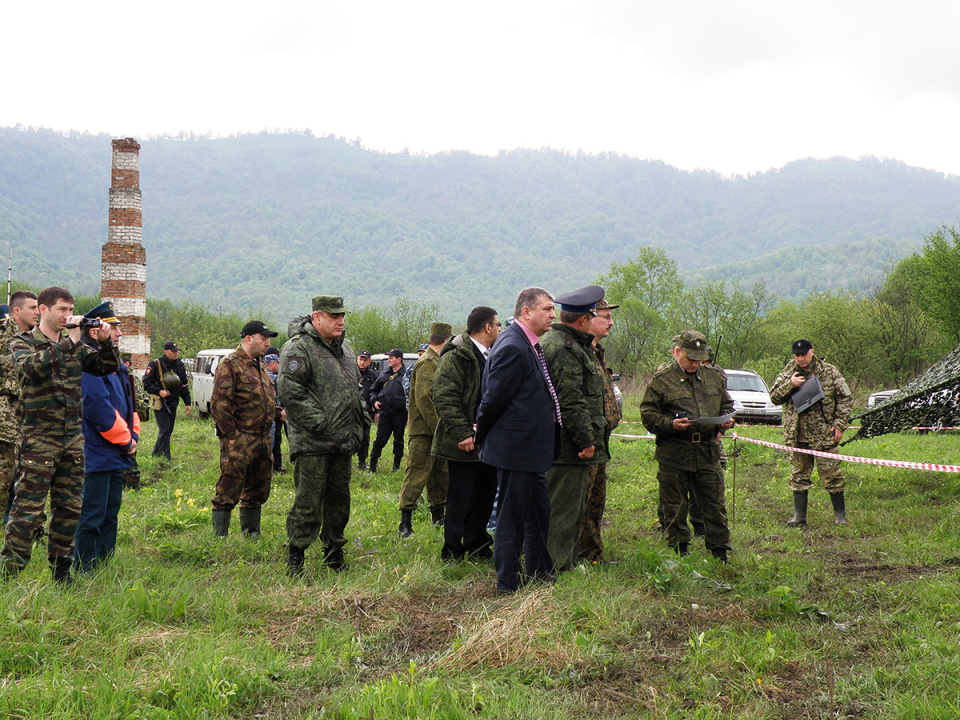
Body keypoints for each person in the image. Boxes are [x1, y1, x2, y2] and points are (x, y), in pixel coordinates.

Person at [0, 286, 119, 584]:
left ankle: (61, 573)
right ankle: (8, 573)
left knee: (68, 509)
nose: (68, 315)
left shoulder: (74, 344)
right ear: (43, 310)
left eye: (71, 309)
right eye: (62, 310)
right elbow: (30, 369)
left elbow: (107, 367)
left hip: (71, 440)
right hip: (38, 440)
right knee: (27, 508)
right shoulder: (22, 342)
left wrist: (105, 344)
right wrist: (72, 341)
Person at [475, 287, 560, 594]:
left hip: (530, 450)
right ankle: (507, 584)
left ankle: (540, 572)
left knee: (538, 512)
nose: (553, 314)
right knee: (511, 517)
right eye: (547, 309)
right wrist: (480, 436)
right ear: (526, 312)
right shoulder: (513, 346)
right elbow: (492, 400)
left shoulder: (527, 344)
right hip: (515, 449)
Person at [278, 296, 366, 575]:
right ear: (317, 318)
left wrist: (360, 420)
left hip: (342, 440)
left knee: (340, 502)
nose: (341, 321)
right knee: (308, 500)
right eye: (334, 316)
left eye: (342, 316)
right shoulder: (298, 348)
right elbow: (290, 391)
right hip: (314, 441)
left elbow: (354, 390)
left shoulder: (346, 351)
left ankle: (334, 553)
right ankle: (296, 555)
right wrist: (320, 422)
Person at [640, 329, 734, 562]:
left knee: (714, 504)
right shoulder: (661, 380)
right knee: (674, 506)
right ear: (676, 352)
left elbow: (726, 404)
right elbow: (647, 414)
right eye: (690, 358)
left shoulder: (713, 376)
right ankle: (678, 550)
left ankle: (719, 551)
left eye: (699, 359)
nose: (695, 363)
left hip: (707, 451)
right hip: (674, 452)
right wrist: (670, 424)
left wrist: (725, 420)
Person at [540, 286, 609, 572]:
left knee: (572, 507)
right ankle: (557, 566)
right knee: (564, 510)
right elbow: (570, 399)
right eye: (594, 314)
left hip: (568, 443)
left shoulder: (570, 343)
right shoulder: (563, 347)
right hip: (568, 446)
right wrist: (586, 440)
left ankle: (563, 561)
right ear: (583, 319)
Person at [74, 302, 139, 574]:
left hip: (117, 452)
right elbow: (98, 409)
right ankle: (85, 567)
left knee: (111, 510)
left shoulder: (118, 367)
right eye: (114, 328)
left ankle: (103, 562)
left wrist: (133, 434)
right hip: (98, 451)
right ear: (94, 332)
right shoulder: (88, 365)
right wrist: (125, 440)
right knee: (93, 513)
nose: (119, 333)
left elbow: (130, 404)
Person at [433, 306, 500, 562]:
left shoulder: (491, 354)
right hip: (462, 443)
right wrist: (462, 433)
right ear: (487, 328)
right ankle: (452, 551)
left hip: (486, 442)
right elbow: (444, 396)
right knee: (461, 497)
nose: (499, 330)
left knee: (484, 495)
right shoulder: (457, 355)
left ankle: (478, 544)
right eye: (497, 325)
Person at [209, 320, 283, 538]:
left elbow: (264, 399)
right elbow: (220, 404)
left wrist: (279, 414)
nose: (267, 343)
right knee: (229, 487)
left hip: (262, 438)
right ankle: (220, 537)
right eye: (264, 339)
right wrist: (231, 437)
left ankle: (252, 535)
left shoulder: (259, 364)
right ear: (249, 339)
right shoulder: (230, 364)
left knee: (257, 489)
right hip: (240, 438)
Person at [770, 339, 853, 527]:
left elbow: (845, 398)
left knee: (832, 474)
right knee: (799, 476)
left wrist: (840, 425)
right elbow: (774, 397)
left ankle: (840, 516)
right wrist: (790, 384)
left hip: (824, 434)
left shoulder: (829, 371)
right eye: (796, 355)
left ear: (812, 352)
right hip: (798, 435)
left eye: (803, 354)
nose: (800, 359)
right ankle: (799, 517)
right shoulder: (789, 371)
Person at [397, 323, 453, 537]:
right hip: (424, 431)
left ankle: (438, 517)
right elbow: (423, 398)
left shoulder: (437, 360)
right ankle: (405, 523)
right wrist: (440, 427)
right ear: (445, 340)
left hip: (435, 429)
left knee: (440, 475)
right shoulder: (428, 362)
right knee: (417, 474)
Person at [578, 298, 622, 564]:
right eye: (606, 316)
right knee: (578, 503)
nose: (611, 322)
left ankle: (592, 554)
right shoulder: (575, 352)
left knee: (596, 502)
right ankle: (573, 555)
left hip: (601, 440)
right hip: (584, 443)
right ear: (587, 318)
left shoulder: (597, 352)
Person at [1, 291, 39, 521]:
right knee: (5, 478)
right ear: (16, 311)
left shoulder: (37, 340)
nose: (37, 312)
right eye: (32, 308)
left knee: (28, 479)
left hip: (33, 421)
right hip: (7, 420)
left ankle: (26, 527)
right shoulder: (5, 340)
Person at [143, 341, 192, 460]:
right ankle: (166, 458)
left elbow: (183, 385)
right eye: (173, 351)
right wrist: (159, 391)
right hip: (160, 402)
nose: (176, 354)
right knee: (164, 429)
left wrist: (188, 403)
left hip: (173, 402)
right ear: (166, 352)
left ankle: (155, 454)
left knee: (168, 430)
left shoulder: (179, 365)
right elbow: (146, 383)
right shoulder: (155, 364)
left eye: (177, 351)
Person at [368, 349, 407, 473]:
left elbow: (411, 394)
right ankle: (372, 467)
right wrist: (374, 401)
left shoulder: (406, 375)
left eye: (391, 358)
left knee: (398, 441)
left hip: (400, 414)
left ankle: (396, 467)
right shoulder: (384, 374)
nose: (389, 360)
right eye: (388, 358)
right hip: (385, 413)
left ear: (399, 359)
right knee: (380, 439)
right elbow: (373, 390)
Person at [120, 352, 149, 491]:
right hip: (131, 420)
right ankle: (130, 484)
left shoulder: (127, 378)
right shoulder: (134, 378)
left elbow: (137, 402)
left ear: (127, 363)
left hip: (127, 419)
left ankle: (131, 485)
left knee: (127, 453)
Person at [355, 351, 377, 471]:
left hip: (366, 411)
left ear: (369, 362)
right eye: (360, 359)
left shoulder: (373, 376)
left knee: (364, 437)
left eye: (365, 360)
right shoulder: (350, 372)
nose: (362, 362)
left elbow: (376, 391)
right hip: (351, 409)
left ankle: (362, 461)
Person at [264, 352, 285, 473]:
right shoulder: (269, 375)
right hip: (269, 413)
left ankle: (276, 465)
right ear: (272, 363)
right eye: (278, 363)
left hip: (276, 412)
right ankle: (268, 467)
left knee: (277, 439)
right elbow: (281, 382)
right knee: (270, 441)